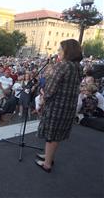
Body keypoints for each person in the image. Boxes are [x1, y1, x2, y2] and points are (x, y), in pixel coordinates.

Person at [36, 39, 83, 173]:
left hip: (57, 107)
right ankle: (48, 156)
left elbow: (50, 90)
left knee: (52, 136)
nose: (58, 52)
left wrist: (43, 93)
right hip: (68, 107)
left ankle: (47, 164)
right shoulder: (78, 67)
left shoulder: (62, 66)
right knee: (56, 135)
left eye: (60, 50)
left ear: (67, 51)